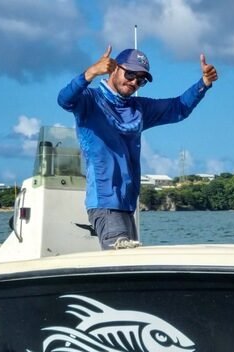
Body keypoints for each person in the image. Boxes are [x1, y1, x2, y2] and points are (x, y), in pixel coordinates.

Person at [58, 45, 218, 249]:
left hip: (127, 206)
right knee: (122, 259)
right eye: (130, 74)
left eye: (140, 80)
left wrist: (204, 83)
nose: (134, 82)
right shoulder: (90, 100)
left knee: (130, 258)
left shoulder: (139, 108)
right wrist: (90, 73)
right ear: (113, 68)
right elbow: (64, 100)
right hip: (105, 203)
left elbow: (178, 108)